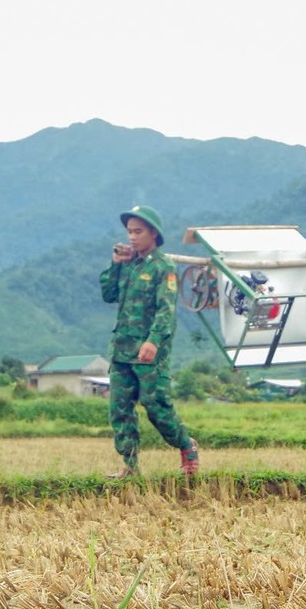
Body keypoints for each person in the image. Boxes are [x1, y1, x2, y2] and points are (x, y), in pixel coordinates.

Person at [99, 205, 199, 480]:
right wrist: (115, 264)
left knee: (156, 407)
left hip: (149, 352)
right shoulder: (129, 265)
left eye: (138, 231)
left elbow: (166, 309)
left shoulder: (163, 266)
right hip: (122, 349)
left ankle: (186, 446)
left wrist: (153, 341)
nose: (132, 237)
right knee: (119, 409)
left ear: (153, 233)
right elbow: (108, 294)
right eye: (129, 231)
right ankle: (130, 466)